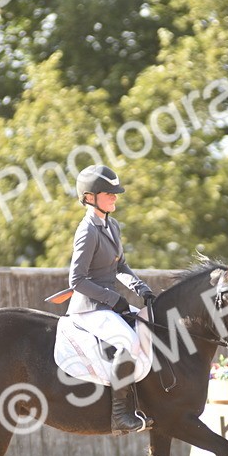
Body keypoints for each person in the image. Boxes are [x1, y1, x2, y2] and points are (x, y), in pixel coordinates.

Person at [67, 164, 156, 434]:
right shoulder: (87, 231)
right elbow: (77, 281)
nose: (115, 197)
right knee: (128, 342)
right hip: (90, 308)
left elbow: (121, 267)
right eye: (110, 193)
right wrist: (112, 299)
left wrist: (140, 287)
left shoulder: (112, 225)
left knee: (150, 326)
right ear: (90, 197)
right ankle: (120, 415)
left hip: (109, 304)